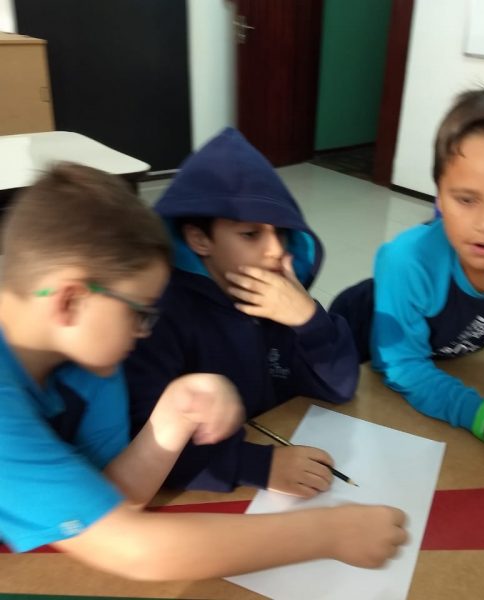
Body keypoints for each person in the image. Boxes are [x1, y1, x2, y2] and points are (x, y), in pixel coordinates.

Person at [0, 163, 406, 579]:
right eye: (140, 313)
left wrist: (174, 413)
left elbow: (116, 499)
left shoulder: (87, 362)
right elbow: (133, 548)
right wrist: (330, 532)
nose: (144, 332)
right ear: (69, 301)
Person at [330, 89, 484, 478]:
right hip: (359, 340)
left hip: (447, 347)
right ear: (440, 194)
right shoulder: (405, 260)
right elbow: (402, 366)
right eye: (466, 199)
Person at [125, 127, 359, 497]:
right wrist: (258, 466)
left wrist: (308, 320)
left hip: (271, 443)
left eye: (281, 233)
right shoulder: (160, 317)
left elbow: (340, 386)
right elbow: (145, 443)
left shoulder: (280, 298)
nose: (274, 250)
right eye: (251, 235)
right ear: (199, 239)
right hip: (210, 486)